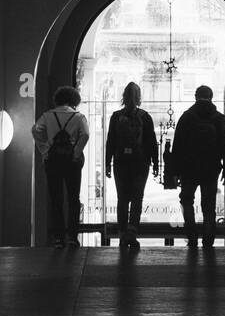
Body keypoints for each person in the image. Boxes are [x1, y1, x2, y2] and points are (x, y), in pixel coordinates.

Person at [172, 85, 225, 248]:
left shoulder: (187, 117)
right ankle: (208, 240)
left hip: (189, 169)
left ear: (195, 96)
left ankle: (191, 237)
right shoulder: (219, 118)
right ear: (211, 97)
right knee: (209, 205)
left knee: (186, 200)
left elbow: (177, 146)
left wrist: (175, 171)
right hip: (211, 169)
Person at [103, 82, 159, 250]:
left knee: (122, 199)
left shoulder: (115, 116)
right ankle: (132, 233)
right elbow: (152, 142)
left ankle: (121, 234)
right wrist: (156, 163)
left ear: (124, 96)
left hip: (120, 162)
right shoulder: (145, 116)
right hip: (140, 163)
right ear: (139, 96)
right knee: (137, 198)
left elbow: (110, 141)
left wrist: (107, 163)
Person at [32, 86, 90, 247]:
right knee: (73, 199)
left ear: (57, 99)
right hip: (72, 162)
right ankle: (72, 236)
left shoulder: (47, 116)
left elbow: (36, 130)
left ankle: (58, 238)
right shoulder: (79, 117)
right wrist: (76, 152)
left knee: (56, 198)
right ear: (74, 100)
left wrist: (45, 150)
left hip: (53, 160)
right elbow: (85, 134)